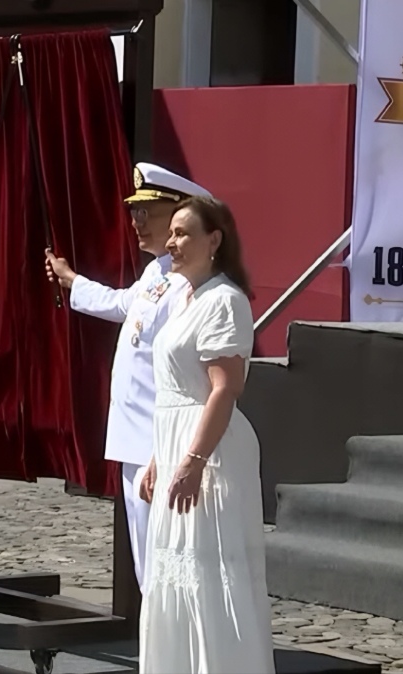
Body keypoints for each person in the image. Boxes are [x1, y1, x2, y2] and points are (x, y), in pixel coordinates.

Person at [45, 162, 211, 590]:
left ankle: (171, 649)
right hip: (135, 436)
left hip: (159, 441)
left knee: (168, 557)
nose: (137, 221)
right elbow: (124, 306)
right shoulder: (157, 271)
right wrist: (72, 281)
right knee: (147, 560)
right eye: (134, 211)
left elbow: (191, 374)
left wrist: (163, 449)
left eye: (148, 212)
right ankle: (157, 647)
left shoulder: (188, 283)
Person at [138, 196, 272, 674]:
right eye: (170, 233)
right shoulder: (183, 299)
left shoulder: (225, 301)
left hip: (211, 454)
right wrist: (160, 456)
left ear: (214, 240)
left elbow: (224, 388)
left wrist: (192, 460)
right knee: (175, 573)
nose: (172, 242)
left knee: (209, 574)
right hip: (177, 446)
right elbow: (175, 389)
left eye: (183, 233)